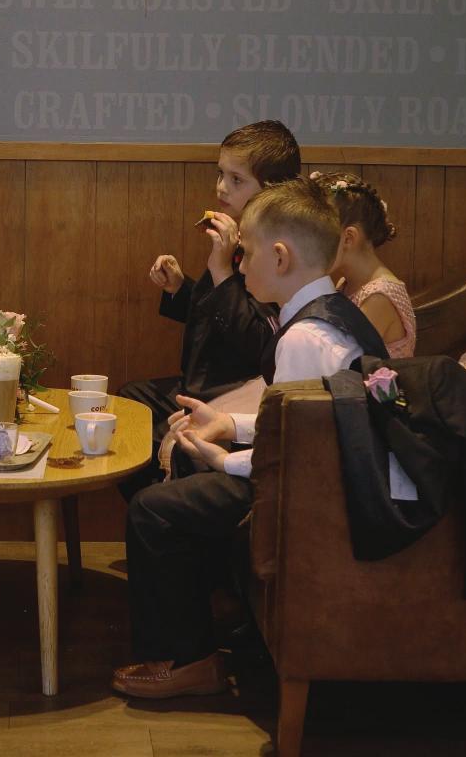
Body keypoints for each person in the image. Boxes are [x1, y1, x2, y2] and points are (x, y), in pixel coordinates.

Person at [113, 179, 392, 700]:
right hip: (320, 470)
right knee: (188, 473)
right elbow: (299, 418)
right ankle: (207, 625)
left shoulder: (307, 338)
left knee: (153, 510)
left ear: (280, 257)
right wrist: (228, 426)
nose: (239, 265)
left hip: (319, 496)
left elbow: (296, 455)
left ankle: (189, 660)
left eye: (246, 253)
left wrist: (224, 460)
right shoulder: (330, 312)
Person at [120, 121, 301, 470]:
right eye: (220, 174)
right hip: (196, 378)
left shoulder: (276, 251)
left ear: (271, 190)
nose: (221, 188)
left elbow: (257, 338)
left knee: (154, 445)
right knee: (131, 405)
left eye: (236, 180)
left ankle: (169, 504)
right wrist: (179, 288)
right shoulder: (236, 235)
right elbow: (214, 313)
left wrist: (221, 270)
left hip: (229, 391)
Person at [311, 170, 416, 357]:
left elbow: (341, 359)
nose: (310, 244)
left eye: (319, 234)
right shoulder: (347, 282)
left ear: (349, 238)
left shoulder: (378, 296)